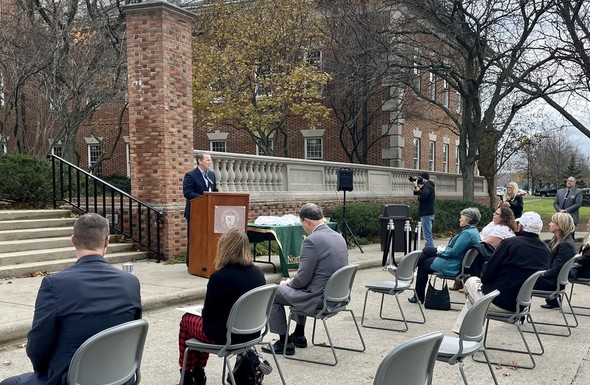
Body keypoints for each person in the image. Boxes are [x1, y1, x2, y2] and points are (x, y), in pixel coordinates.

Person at [0, 213, 142, 385]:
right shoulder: (131, 282)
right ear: (107, 241)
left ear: (73, 240)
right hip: (119, 377)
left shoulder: (54, 284)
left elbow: (38, 346)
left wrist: (44, 371)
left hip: (70, 379)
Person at [177, 227, 265, 385]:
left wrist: (202, 311)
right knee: (201, 324)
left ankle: (189, 373)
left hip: (225, 336)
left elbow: (208, 316)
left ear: (224, 248)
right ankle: (196, 372)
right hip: (252, 332)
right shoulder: (258, 273)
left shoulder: (219, 277)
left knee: (186, 321)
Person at [262, 203, 348, 355]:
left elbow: (302, 280)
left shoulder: (311, 241)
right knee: (296, 288)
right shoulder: (338, 237)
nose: (303, 228)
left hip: (319, 299)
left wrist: (287, 283)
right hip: (338, 296)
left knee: (275, 292)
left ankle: (284, 342)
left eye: (302, 224)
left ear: (307, 221)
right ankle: (299, 335)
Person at [452, 211, 551, 333]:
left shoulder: (510, 243)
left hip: (498, 301)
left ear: (521, 226)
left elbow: (488, 273)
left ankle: (465, 335)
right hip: (521, 304)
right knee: (473, 299)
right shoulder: (546, 250)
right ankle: (463, 334)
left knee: (471, 282)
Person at [408, 207, 481, 304]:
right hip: (456, 261)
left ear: (468, 220)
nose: (460, 219)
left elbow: (453, 252)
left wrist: (440, 252)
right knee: (426, 250)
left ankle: (415, 289)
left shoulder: (467, 234)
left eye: (461, 217)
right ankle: (408, 270)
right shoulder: (472, 231)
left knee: (423, 265)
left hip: (453, 264)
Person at [535, 212, 576, 309]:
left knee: (519, 278)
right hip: (553, 281)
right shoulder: (558, 239)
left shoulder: (566, 245)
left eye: (552, 222)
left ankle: (516, 311)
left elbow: (556, 270)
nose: (549, 224)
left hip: (552, 284)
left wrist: (540, 274)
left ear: (558, 226)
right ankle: (554, 302)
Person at [183, 152, 218, 262]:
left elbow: (215, 190)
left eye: (210, 160)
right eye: (207, 160)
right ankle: (192, 262)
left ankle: (205, 261)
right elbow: (187, 193)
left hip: (208, 212)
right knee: (194, 238)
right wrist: (205, 197)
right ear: (200, 161)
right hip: (195, 213)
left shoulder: (211, 174)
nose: (210, 162)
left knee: (206, 238)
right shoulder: (191, 175)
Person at [411, 172, 436, 247]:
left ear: (424, 179)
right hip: (426, 213)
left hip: (427, 214)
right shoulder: (426, 186)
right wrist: (415, 186)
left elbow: (423, 194)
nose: (419, 180)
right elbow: (417, 193)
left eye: (420, 178)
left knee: (427, 235)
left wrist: (417, 186)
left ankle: (429, 250)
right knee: (427, 234)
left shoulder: (428, 186)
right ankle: (429, 249)